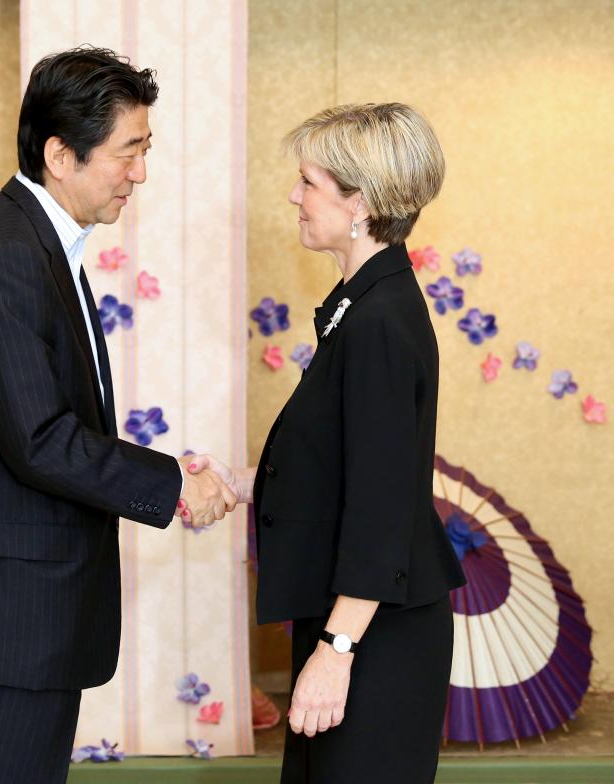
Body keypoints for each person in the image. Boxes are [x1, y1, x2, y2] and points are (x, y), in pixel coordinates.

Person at [0, 46, 236, 784]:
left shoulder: (40, 244)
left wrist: (163, 474)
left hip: (20, 615)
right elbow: (40, 439)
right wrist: (172, 485)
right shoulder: (10, 255)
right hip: (5, 620)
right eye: (129, 151)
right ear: (61, 153)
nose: (140, 173)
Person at [185, 103, 466, 783]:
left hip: (375, 633)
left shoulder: (379, 323)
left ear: (360, 201)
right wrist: (245, 480)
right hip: (357, 620)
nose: (293, 196)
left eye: (308, 182)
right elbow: (343, 467)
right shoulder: (360, 305)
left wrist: (336, 650)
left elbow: (382, 506)